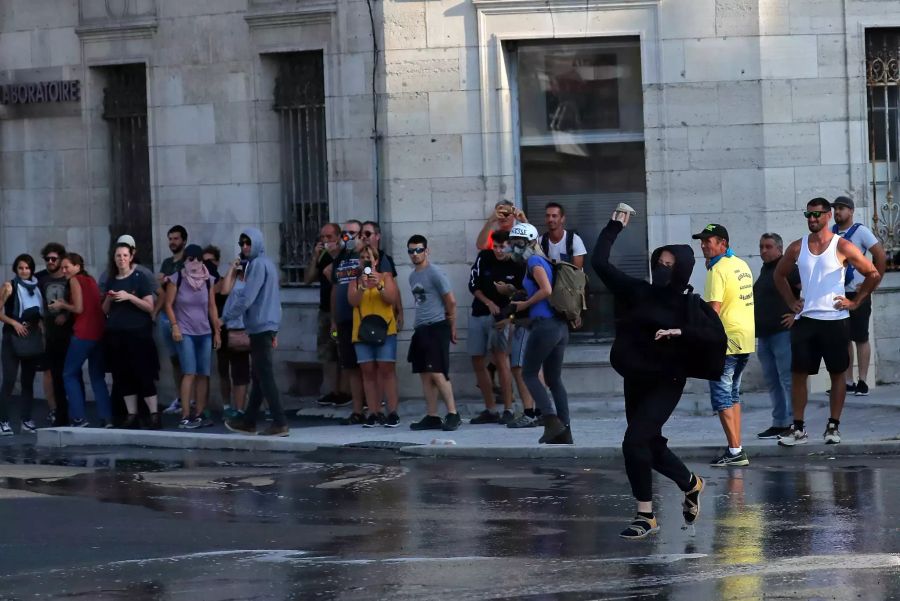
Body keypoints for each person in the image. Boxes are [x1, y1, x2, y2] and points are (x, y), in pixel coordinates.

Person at [592, 210, 716, 540]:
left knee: (634, 441)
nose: (662, 267)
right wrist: (613, 227)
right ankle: (692, 484)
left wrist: (681, 332)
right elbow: (600, 264)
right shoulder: (636, 291)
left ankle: (645, 515)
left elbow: (716, 338)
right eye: (659, 262)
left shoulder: (689, 305)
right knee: (650, 445)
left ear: (682, 269)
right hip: (636, 378)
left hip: (667, 381)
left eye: (669, 263)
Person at [775, 198, 881, 446]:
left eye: (816, 215)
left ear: (828, 216)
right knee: (799, 373)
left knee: (837, 374)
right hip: (806, 320)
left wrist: (855, 302)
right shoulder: (797, 247)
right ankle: (798, 428)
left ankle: (833, 426)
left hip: (834, 320)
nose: (812, 219)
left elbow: (872, 273)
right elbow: (779, 275)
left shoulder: (841, 245)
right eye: (808, 215)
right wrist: (792, 302)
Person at [692, 224, 754, 467]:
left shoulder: (717, 269)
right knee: (733, 394)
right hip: (745, 339)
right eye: (703, 240)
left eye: (710, 241)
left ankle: (735, 450)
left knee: (721, 397)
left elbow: (713, 311)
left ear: (723, 244)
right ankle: (736, 446)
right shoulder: (741, 265)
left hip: (725, 341)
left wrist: (698, 335)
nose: (704, 245)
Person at [506, 223, 571, 444]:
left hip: (545, 326)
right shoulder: (541, 261)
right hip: (559, 327)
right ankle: (565, 430)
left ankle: (551, 421)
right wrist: (515, 292)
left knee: (529, 374)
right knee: (554, 379)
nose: (513, 246)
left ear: (529, 242)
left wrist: (524, 305)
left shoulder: (534, 261)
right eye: (512, 242)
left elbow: (546, 290)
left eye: (517, 242)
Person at [223, 228, 288, 437]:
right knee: (259, 375)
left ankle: (279, 422)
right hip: (265, 325)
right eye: (242, 244)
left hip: (260, 326)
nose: (244, 247)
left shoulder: (258, 265)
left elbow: (247, 298)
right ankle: (249, 421)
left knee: (265, 375)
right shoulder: (266, 264)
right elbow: (275, 301)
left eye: (247, 243)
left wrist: (224, 317)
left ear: (257, 243)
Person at [831, 196, 887, 396]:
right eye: (836, 209)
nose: (838, 212)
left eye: (842, 208)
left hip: (858, 291)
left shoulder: (861, 231)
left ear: (851, 211)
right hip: (839, 292)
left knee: (860, 336)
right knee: (843, 338)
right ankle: (847, 381)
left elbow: (880, 256)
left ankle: (862, 381)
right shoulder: (831, 234)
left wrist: (874, 281)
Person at [406, 235, 461, 431]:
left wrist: (452, 326)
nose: (415, 254)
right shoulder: (413, 276)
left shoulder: (435, 273)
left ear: (427, 251)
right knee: (424, 373)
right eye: (411, 251)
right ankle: (432, 415)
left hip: (437, 326)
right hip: (420, 328)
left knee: (438, 372)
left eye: (419, 250)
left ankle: (453, 413)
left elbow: (451, 301)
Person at [102, 243, 160, 429]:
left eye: (125, 255)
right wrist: (109, 298)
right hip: (117, 335)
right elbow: (104, 310)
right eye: (118, 255)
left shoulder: (139, 277)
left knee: (144, 373)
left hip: (139, 334)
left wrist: (129, 297)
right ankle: (131, 414)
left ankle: (153, 414)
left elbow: (149, 306)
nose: (121, 259)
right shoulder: (111, 280)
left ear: (130, 257)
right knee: (123, 375)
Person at [164, 244, 220, 429]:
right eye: (190, 258)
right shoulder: (177, 278)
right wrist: (174, 326)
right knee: (189, 372)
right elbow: (168, 305)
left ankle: (199, 413)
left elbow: (212, 306)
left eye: (198, 258)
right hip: (185, 331)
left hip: (204, 332)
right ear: (184, 260)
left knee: (204, 373)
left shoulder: (208, 280)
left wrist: (217, 331)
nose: (194, 262)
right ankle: (185, 415)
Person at [50, 254, 110, 428]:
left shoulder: (75, 280)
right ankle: (107, 419)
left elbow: (79, 307)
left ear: (77, 266)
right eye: (62, 267)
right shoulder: (90, 280)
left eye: (66, 266)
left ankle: (79, 417)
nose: (64, 270)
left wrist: (62, 305)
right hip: (98, 333)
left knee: (68, 374)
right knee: (97, 377)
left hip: (83, 334)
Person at [467, 229, 520, 425]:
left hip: (503, 317)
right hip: (480, 311)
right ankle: (490, 408)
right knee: (477, 359)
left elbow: (523, 293)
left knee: (502, 359)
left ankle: (508, 408)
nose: (498, 250)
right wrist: (488, 301)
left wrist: (510, 308)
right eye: (496, 246)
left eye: (502, 246)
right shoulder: (484, 257)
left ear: (510, 245)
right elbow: (473, 285)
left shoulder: (516, 263)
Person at [753, 233, 800, 439]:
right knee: (772, 381)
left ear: (779, 249)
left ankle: (793, 422)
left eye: (768, 247)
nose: (763, 250)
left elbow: (805, 291)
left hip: (782, 333)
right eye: (761, 246)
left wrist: (797, 315)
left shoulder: (788, 267)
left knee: (788, 379)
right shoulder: (765, 270)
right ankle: (779, 421)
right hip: (764, 334)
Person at [348, 245, 401, 427]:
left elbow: (391, 299)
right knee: (368, 372)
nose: (365, 260)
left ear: (376, 260)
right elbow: (352, 301)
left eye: (368, 257)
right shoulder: (355, 280)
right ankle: (373, 411)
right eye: (362, 257)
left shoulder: (386, 277)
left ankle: (392, 412)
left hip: (385, 329)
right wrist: (362, 286)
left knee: (387, 370)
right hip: (362, 331)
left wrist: (378, 285)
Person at [305, 223, 351, 408]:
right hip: (325, 310)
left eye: (329, 237)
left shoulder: (346, 254)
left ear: (339, 237)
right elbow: (308, 279)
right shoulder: (322, 256)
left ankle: (347, 391)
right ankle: (334, 391)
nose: (325, 241)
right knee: (328, 353)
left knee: (344, 353)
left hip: (343, 311)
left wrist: (334, 256)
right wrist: (315, 257)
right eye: (322, 237)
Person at [0, 255, 43, 435]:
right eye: (21, 268)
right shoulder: (9, 286)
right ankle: (3, 421)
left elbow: (39, 313)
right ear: (16, 270)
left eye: (27, 268)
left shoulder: (37, 287)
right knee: (9, 380)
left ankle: (26, 419)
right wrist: (14, 323)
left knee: (27, 381)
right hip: (12, 337)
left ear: (31, 269)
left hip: (30, 338)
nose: (24, 271)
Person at [328, 220, 366, 424]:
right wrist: (333, 319)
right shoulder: (340, 258)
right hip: (343, 319)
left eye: (352, 233)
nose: (347, 237)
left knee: (367, 366)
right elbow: (335, 288)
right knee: (350, 366)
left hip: (362, 319)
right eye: (345, 233)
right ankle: (357, 410)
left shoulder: (365, 256)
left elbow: (375, 278)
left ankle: (375, 408)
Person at [35, 243, 71, 426]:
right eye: (47, 259)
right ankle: (53, 409)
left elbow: (77, 302)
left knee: (69, 372)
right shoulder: (40, 279)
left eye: (53, 259)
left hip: (68, 332)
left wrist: (66, 314)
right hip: (48, 332)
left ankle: (72, 410)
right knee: (49, 372)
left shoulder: (69, 278)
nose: (50, 262)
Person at [156, 225, 188, 415]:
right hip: (165, 316)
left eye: (176, 239)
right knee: (175, 360)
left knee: (187, 360)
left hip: (183, 316)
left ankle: (189, 399)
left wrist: (167, 280)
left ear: (184, 240)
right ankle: (179, 397)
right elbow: (160, 284)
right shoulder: (167, 262)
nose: (172, 242)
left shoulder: (188, 261)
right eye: (170, 239)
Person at [218, 252, 252, 418]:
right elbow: (224, 290)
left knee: (259, 370)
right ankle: (239, 409)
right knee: (239, 370)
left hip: (253, 327)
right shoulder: (236, 277)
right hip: (235, 328)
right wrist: (232, 267)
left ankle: (267, 407)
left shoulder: (257, 276)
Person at [540, 202, 587, 267]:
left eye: (554, 216)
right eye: (548, 216)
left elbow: (577, 272)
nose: (550, 219)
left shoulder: (574, 240)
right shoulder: (541, 240)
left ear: (562, 219)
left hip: (569, 276)